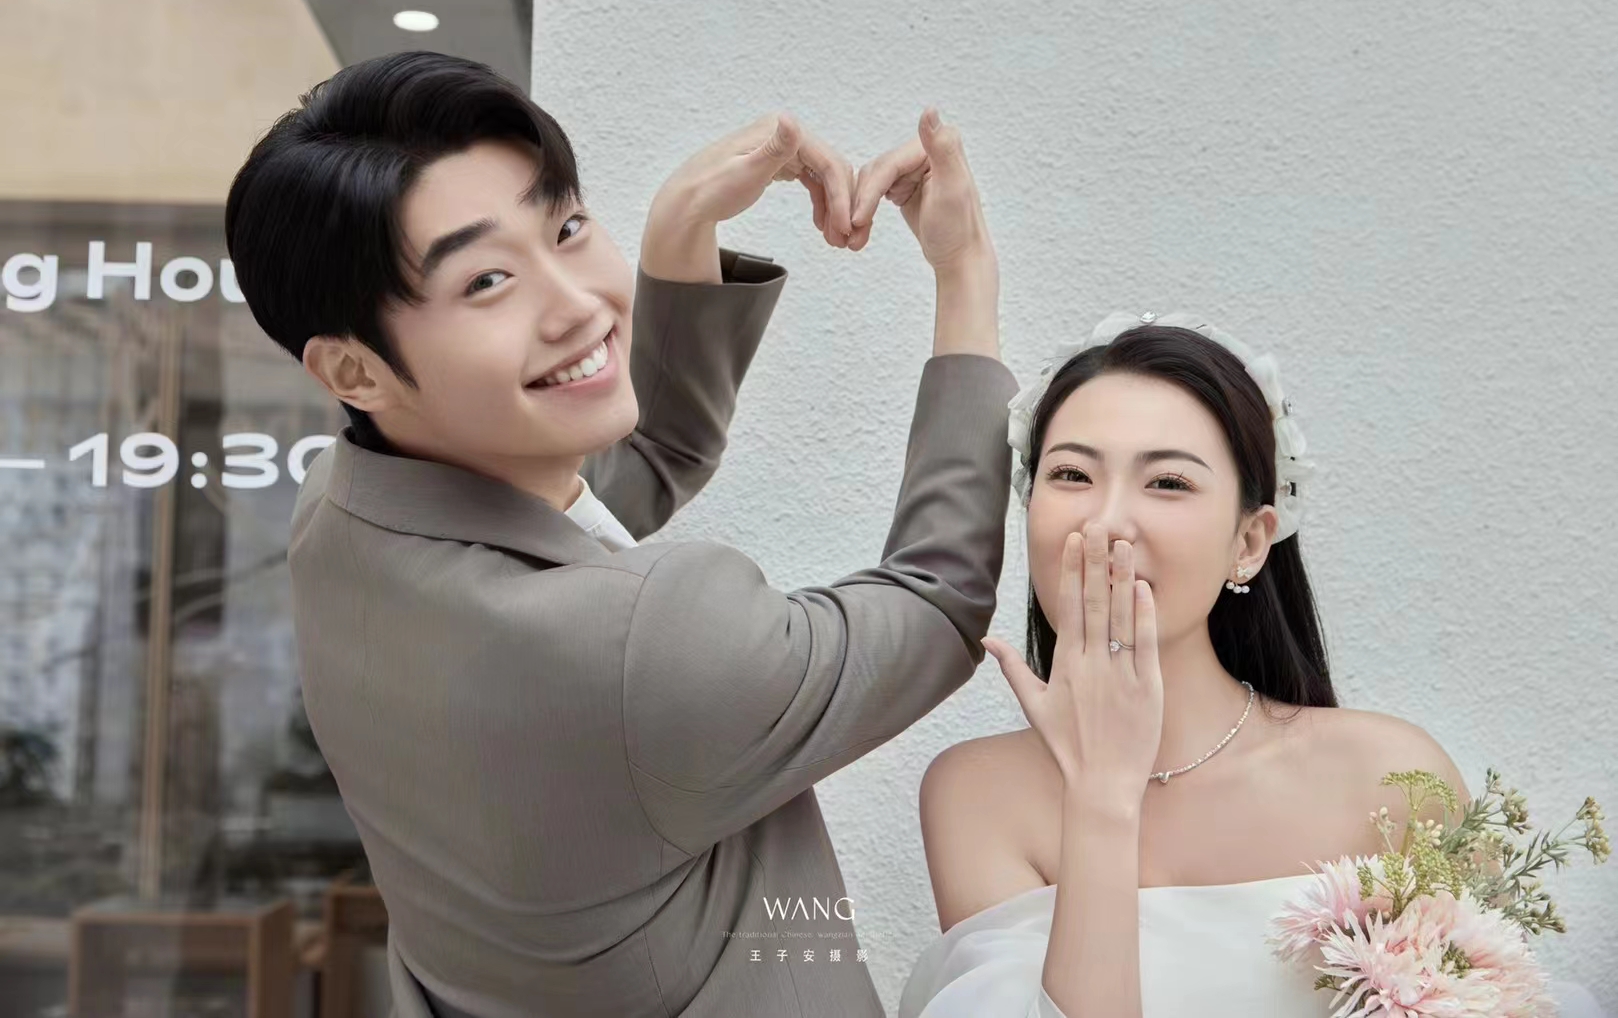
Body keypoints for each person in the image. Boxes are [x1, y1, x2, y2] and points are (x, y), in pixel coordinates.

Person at [225, 50, 1016, 1017]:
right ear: (355, 372)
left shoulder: (343, 513)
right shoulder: (643, 648)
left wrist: (681, 222)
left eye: (566, 227)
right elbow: (936, 602)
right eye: (486, 281)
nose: (577, 304)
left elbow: (645, 457)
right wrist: (965, 271)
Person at [900, 313, 1610, 1017]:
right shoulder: (978, 796)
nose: (1106, 522)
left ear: (1249, 542)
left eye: (1167, 482)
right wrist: (1102, 795)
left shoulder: (1389, 777)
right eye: (1071, 474)